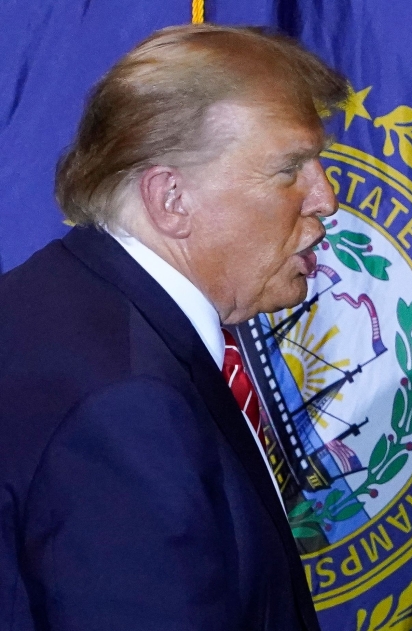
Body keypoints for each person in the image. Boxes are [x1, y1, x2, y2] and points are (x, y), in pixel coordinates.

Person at [0, 24, 347, 630]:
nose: (325, 198)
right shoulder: (128, 406)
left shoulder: (51, 300)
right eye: (291, 169)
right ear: (171, 200)